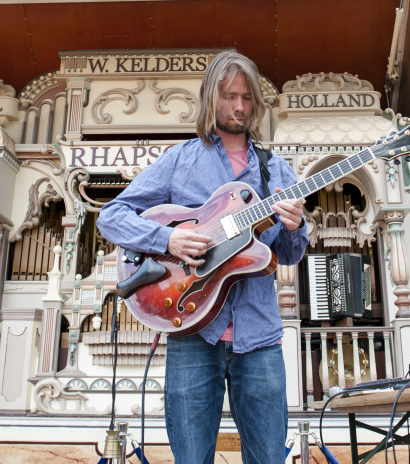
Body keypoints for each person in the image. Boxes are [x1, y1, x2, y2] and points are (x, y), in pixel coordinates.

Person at [97, 50, 308, 464]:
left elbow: (287, 255)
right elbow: (111, 216)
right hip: (191, 332)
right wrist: (168, 239)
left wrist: (295, 225)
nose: (239, 107)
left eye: (247, 98)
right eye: (230, 96)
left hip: (259, 337)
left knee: (269, 458)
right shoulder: (180, 160)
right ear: (211, 97)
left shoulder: (277, 170)